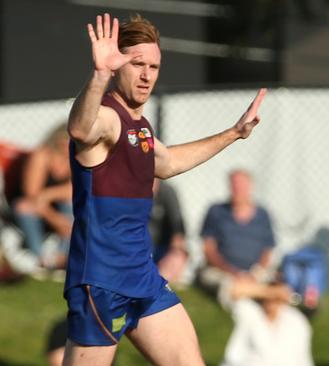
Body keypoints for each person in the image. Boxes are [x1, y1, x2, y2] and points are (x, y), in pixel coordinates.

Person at [63, 13, 266, 365]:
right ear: (117, 66)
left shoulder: (139, 126)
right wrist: (99, 77)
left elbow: (168, 162)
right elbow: (81, 130)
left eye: (153, 66)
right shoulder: (108, 118)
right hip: (102, 282)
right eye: (136, 64)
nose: (146, 75)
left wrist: (234, 133)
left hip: (143, 277)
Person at [199, 169, 275, 306]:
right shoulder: (216, 211)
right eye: (234, 186)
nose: (237, 190)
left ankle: (246, 292)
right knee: (218, 281)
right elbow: (208, 249)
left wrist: (253, 275)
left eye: (241, 186)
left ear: (250, 187)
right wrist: (233, 272)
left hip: (255, 273)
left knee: (273, 277)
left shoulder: (263, 215)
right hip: (223, 272)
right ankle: (261, 294)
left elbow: (268, 251)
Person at [13, 123, 72, 270]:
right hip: (36, 207)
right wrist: (54, 219)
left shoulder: (77, 157)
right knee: (24, 207)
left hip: (57, 205)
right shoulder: (42, 155)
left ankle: (61, 257)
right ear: (56, 139)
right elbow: (31, 194)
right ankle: (39, 257)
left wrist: (48, 194)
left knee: (73, 203)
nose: (67, 144)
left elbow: (76, 190)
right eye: (64, 140)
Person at [149, 178, 188, 285]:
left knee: (176, 258)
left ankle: (157, 283)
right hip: (134, 250)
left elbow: (178, 229)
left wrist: (175, 252)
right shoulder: (129, 190)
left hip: (160, 251)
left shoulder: (167, 192)